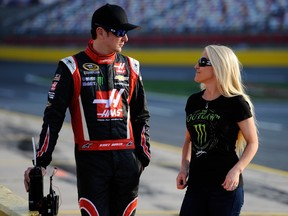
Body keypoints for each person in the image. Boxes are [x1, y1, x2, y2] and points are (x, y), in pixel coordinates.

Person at [24, 3, 151, 216]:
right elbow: (52, 118)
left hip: (127, 161)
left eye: (126, 32)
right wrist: (41, 161)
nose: (126, 38)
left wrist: (143, 157)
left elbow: (141, 115)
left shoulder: (132, 66)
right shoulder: (71, 67)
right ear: (100, 32)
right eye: (120, 32)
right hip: (92, 161)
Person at [176, 45, 258, 216]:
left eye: (203, 62)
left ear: (220, 66)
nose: (196, 66)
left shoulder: (236, 103)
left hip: (225, 187)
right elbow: (188, 140)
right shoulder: (193, 101)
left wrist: (236, 171)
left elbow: (252, 142)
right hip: (196, 186)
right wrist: (184, 168)